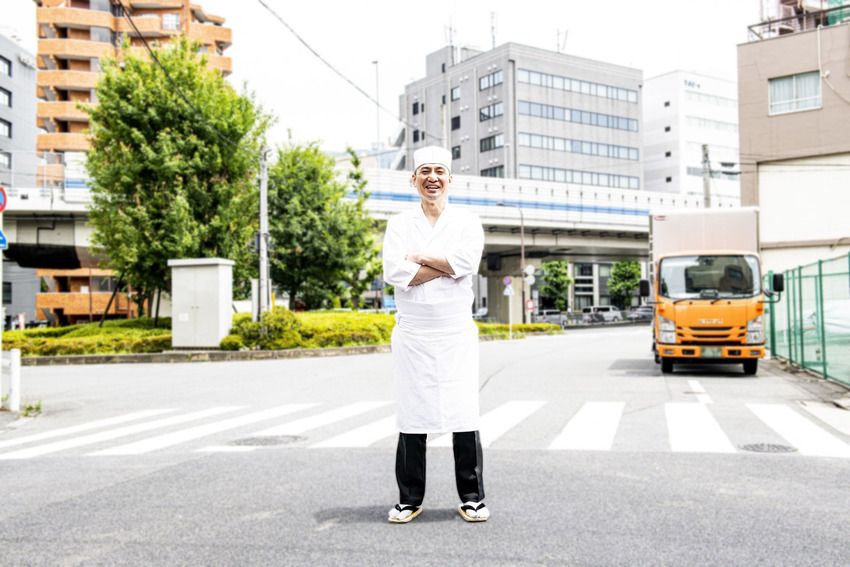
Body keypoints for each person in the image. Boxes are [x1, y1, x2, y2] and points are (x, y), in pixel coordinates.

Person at [382, 145, 488, 524]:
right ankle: (409, 499)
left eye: (439, 171)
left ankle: (472, 496)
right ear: (413, 180)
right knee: (412, 415)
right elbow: (395, 273)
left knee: (464, 412)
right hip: (413, 334)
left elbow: (466, 264)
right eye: (424, 171)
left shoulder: (466, 221)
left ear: (449, 179)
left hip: (455, 331)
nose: (432, 177)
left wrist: (419, 258)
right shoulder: (398, 223)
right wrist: (444, 264)